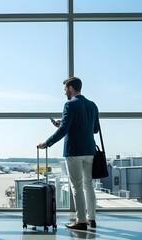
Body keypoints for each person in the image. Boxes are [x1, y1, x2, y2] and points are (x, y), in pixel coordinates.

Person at [38, 76, 99, 230]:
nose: (65, 92)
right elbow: (94, 129)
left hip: (74, 151)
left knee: (77, 186)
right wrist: (65, 123)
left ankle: (81, 221)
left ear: (71, 88)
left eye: (65, 89)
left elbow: (64, 130)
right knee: (89, 185)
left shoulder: (69, 105)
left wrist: (47, 142)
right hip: (89, 151)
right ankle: (91, 219)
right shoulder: (92, 105)